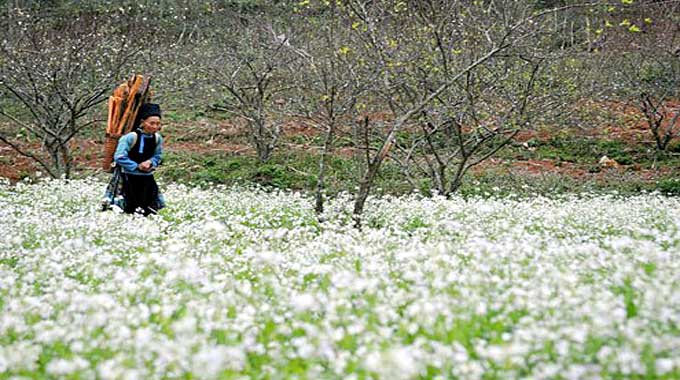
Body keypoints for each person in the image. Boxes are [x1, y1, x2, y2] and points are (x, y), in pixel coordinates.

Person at [102, 103, 165, 215]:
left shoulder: (157, 138)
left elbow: (158, 156)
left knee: (148, 210)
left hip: (146, 178)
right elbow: (119, 156)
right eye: (152, 123)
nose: (155, 127)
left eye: (158, 124)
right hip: (127, 177)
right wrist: (137, 166)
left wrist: (150, 162)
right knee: (126, 209)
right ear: (142, 122)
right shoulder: (130, 138)